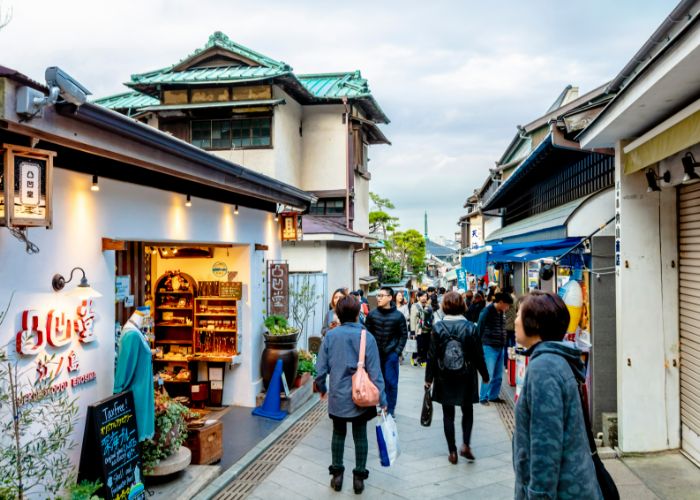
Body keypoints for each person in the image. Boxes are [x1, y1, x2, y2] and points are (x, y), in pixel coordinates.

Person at [513, 291, 602, 499]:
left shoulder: (544, 368)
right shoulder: (555, 360)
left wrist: (538, 496)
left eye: (518, 314)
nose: (515, 321)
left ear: (533, 323)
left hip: (563, 490)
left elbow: (545, 448)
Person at [315, 295, 387, 494]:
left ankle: (337, 476)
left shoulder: (330, 336)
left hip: (338, 393)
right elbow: (375, 371)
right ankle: (359, 479)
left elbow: (320, 369)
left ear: (337, 314)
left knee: (338, 433)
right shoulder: (367, 336)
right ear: (358, 313)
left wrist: (322, 388)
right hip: (362, 395)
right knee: (360, 434)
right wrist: (383, 398)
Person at [425, 292, 489, 464]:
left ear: (444, 306)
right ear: (462, 305)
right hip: (466, 375)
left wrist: (428, 379)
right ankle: (466, 445)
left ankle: (452, 452)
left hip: (444, 375)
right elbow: (478, 355)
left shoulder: (437, 328)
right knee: (467, 410)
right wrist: (485, 375)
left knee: (448, 413)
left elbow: (431, 356)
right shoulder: (470, 327)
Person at [364, 286, 408, 417]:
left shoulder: (398, 316)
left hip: (391, 355)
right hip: (375, 355)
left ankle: (390, 410)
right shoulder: (372, 314)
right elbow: (367, 334)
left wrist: (397, 352)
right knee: (375, 381)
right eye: (378, 295)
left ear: (390, 297)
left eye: (382, 295)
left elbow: (403, 335)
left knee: (391, 382)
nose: (379, 298)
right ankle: (379, 406)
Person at [477, 292, 513, 404]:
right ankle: (483, 397)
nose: (508, 308)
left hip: (500, 346)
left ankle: (493, 396)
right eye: (507, 305)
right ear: (501, 302)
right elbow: (479, 328)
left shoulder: (502, 312)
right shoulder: (487, 311)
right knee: (488, 374)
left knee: (498, 375)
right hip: (489, 346)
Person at [409, 290, 433, 366]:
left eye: (425, 296)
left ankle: (423, 360)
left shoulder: (429, 306)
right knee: (418, 345)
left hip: (427, 329)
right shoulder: (415, 306)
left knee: (426, 345)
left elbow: (431, 318)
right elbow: (412, 319)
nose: (424, 298)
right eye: (422, 296)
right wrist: (412, 332)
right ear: (418, 298)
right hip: (418, 329)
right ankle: (415, 357)